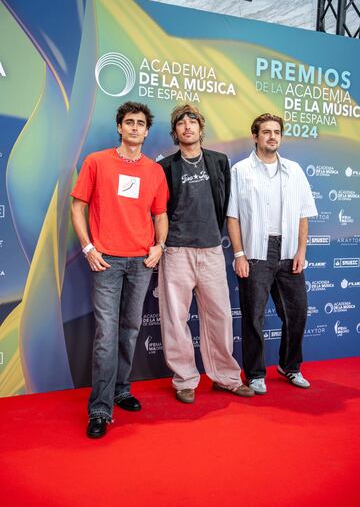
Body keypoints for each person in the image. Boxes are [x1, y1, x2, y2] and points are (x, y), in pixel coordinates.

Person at [71, 101, 169, 438]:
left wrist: (159, 246)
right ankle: (100, 409)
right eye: (129, 122)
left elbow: (160, 215)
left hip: (142, 262)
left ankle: (120, 389)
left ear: (146, 130)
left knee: (129, 329)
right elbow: (78, 206)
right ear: (119, 127)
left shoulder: (154, 171)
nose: (134, 128)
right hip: (106, 260)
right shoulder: (97, 162)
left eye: (140, 123)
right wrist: (88, 248)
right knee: (106, 334)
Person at [158, 104, 254, 403]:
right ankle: (184, 379)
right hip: (176, 250)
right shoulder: (165, 167)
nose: (187, 126)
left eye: (193, 122)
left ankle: (225, 377)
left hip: (212, 249)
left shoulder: (219, 162)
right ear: (175, 132)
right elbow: (160, 210)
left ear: (201, 128)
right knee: (176, 318)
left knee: (220, 316)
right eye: (181, 123)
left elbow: (225, 204)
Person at [227, 113, 317, 394]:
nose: (272, 136)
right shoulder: (240, 171)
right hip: (255, 251)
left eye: (276, 131)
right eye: (265, 132)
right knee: (254, 316)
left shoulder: (295, 170)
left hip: (289, 250)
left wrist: (301, 251)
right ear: (255, 137)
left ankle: (290, 367)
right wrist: (239, 254)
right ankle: (254, 374)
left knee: (297, 312)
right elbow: (233, 217)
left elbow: (303, 215)